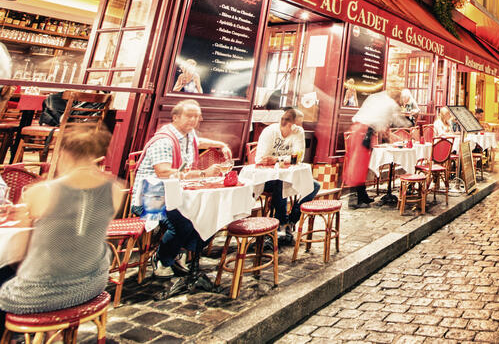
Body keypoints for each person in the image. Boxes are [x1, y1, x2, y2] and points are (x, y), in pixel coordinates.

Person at [0, 124, 124, 314]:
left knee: (6, 273)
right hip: (92, 283)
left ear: (63, 153)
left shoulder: (42, 191)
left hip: (38, 294)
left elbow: (19, 254)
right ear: (99, 156)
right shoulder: (116, 189)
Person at [131, 99, 231, 276]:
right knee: (183, 224)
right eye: (189, 116)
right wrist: (202, 174)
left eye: (197, 117)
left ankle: (179, 252)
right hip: (151, 196)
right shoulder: (163, 141)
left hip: (177, 194)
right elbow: (163, 172)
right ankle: (162, 260)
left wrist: (220, 144)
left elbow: (197, 142)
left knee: (205, 214)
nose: (193, 120)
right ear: (175, 117)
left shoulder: (188, 135)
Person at [255, 108, 320, 244]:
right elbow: (260, 158)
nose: (301, 127)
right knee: (280, 182)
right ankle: (280, 228)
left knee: (314, 186)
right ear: (291, 124)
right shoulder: (270, 132)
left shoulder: (298, 133)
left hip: (289, 177)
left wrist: (277, 160)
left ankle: (289, 221)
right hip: (266, 179)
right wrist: (285, 159)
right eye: (299, 124)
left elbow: (298, 157)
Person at [343, 89, 410, 209]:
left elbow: (379, 121)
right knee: (358, 166)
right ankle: (353, 201)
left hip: (359, 130)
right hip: (364, 133)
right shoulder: (390, 104)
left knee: (361, 165)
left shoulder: (376, 97)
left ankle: (362, 196)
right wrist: (409, 125)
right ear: (397, 98)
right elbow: (398, 120)